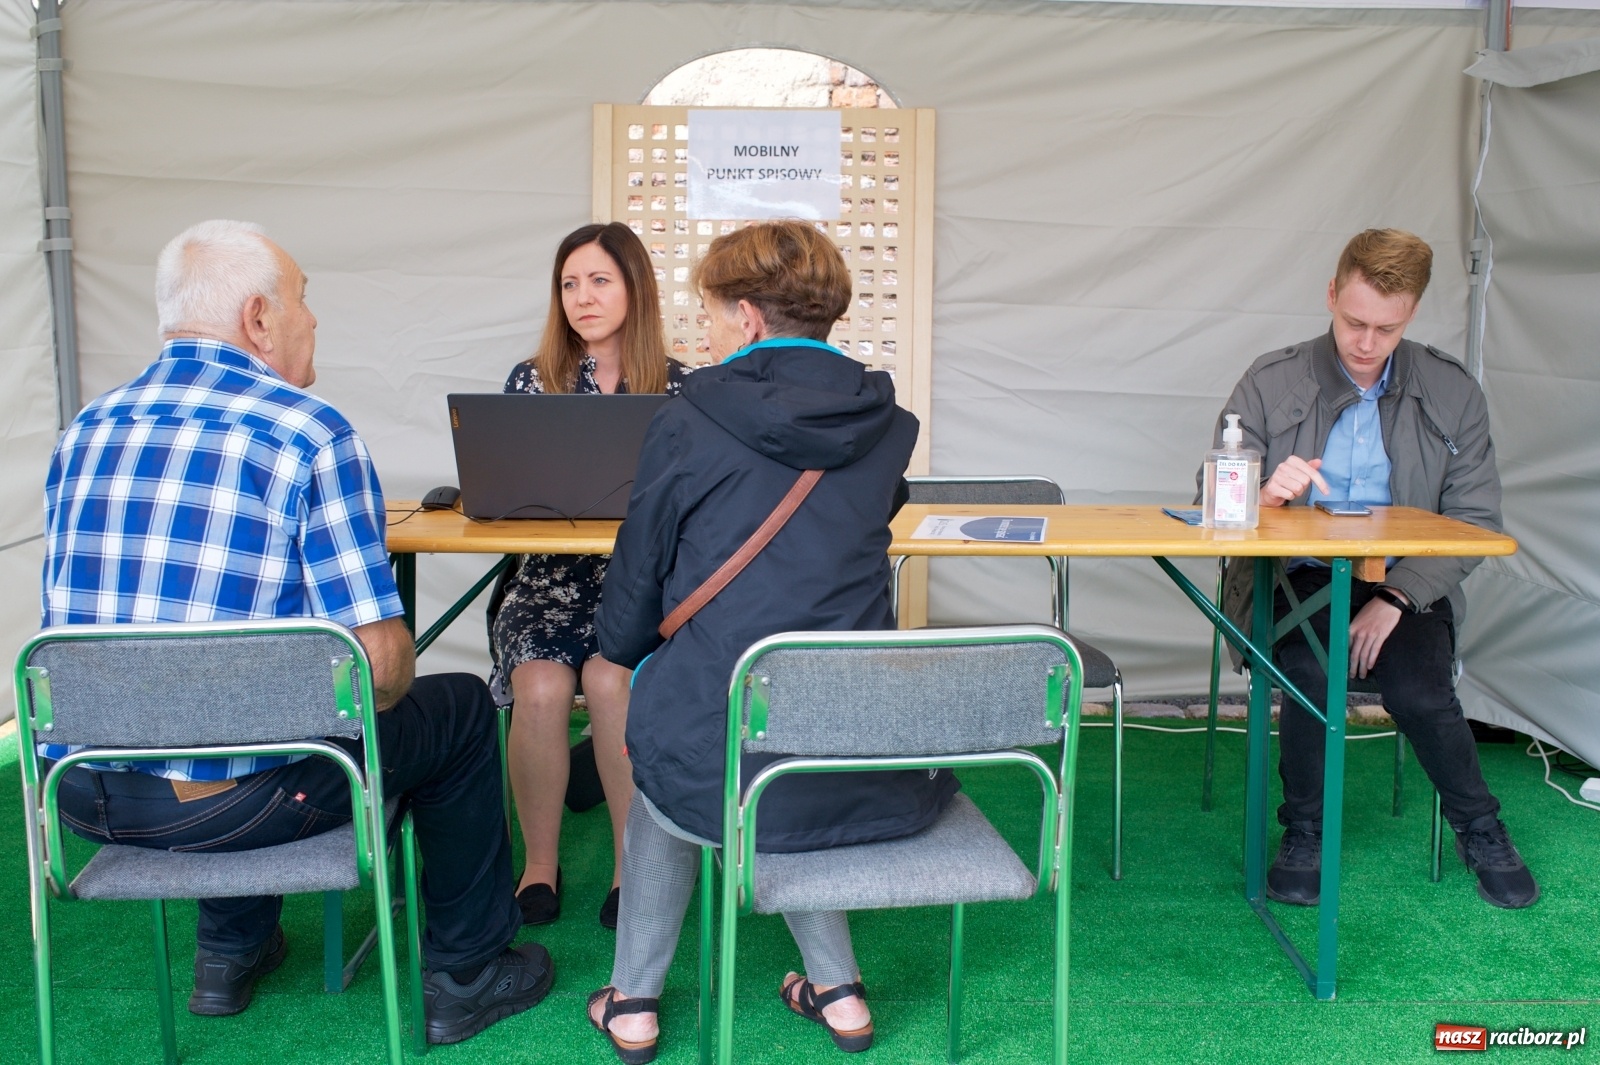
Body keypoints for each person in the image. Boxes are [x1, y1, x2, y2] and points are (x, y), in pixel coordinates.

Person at [39, 220, 553, 1042]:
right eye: (305, 299)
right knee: (452, 707)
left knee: (208, 693)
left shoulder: (84, 430)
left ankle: (229, 949)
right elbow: (382, 672)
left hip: (83, 794)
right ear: (257, 318)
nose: (313, 319)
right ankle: (468, 971)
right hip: (239, 805)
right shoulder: (308, 432)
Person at [584, 220, 956, 1063]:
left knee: (671, 783)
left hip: (726, 719)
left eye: (713, 312)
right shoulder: (887, 421)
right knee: (787, 751)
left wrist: (629, 643)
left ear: (748, 317)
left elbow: (632, 598)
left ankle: (634, 1002)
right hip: (857, 731)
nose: (707, 329)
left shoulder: (688, 418)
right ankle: (840, 990)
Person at [1208, 228, 1537, 910]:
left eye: (1386, 328)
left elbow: (1476, 524)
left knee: (1420, 692)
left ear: (1411, 312)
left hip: (1406, 580)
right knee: (1306, 677)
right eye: (1354, 321)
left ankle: (1482, 829)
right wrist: (1262, 496)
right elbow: (1211, 508)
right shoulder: (1271, 380)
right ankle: (1303, 831)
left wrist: (1397, 594)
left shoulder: (1452, 392)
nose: (1365, 342)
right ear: (1331, 295)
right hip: (1295, 573)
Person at [488, 222, 688, 930]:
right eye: (569, 283)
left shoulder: (681, 386)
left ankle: (631, 865)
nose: (582, 296)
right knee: (540, 685)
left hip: (639, 591)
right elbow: (506, 496)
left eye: (599, 280)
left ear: (635, 288)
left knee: (612, 680)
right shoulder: (529, 379)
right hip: (544, 587)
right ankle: (539, 863)